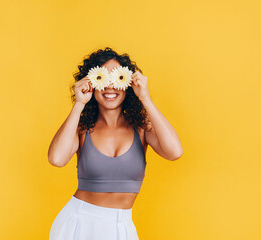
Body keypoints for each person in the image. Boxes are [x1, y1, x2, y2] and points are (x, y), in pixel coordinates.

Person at [48, 47, 183, 240]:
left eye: (118, 78)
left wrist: (145, 98)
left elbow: (175, 152)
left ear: (128, 83)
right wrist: (79, 104)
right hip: (78, 223)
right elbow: (57, 159)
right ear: (91, 82)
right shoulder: (82, 128)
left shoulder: (142, 127)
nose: (110, 86)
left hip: (121, 226)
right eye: (102, 78)